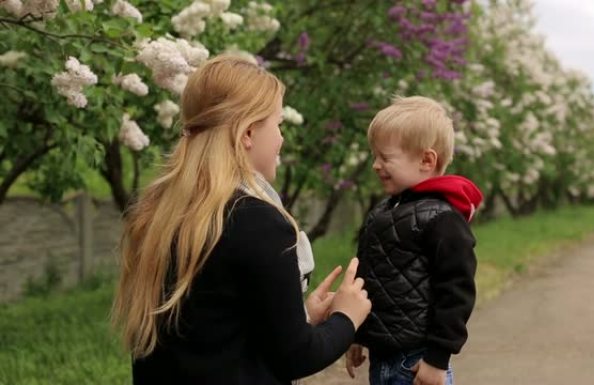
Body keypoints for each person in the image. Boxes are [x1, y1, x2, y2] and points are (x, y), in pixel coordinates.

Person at [111, 54, 371, 385]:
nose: (282, 138)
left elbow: (212, 335)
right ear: (248, 133)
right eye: (278, 124)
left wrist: (300, 317)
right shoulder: (257, 222)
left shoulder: (158, 212)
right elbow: (295, 357)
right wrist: (347, 318)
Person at [345, 96, 483, 385]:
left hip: (416, 361)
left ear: (426, 160)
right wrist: (357, 333)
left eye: (385, 157)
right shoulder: (387, 210)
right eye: (374, 156)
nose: (375, 165)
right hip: (384, 357)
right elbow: (373, 279)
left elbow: (456, 292)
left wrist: (437, 360)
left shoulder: (442, 219)